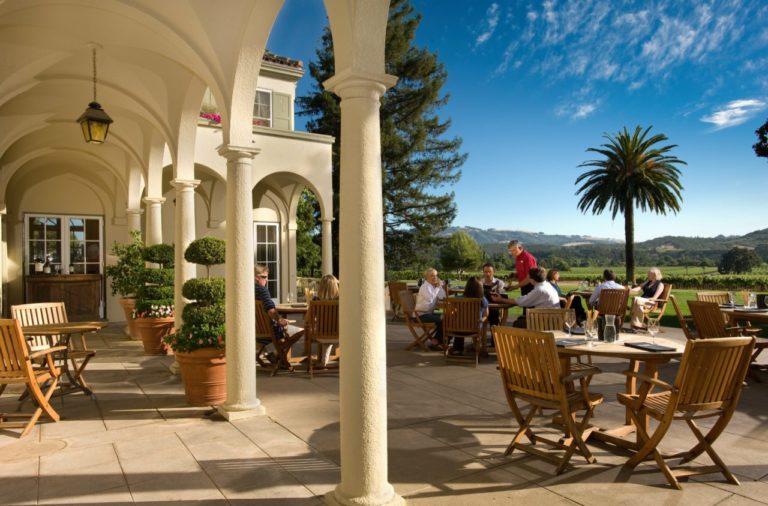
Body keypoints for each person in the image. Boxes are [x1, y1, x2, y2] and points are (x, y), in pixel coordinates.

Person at [255, 264, 304, 363]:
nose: (266, 280)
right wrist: (280, 320)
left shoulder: (248, 291)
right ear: (257, 278)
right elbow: (271, 310)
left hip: (256, 331)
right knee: (301, 330)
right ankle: (281, 358)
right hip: (271, 331)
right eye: (264, 277)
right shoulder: (262, 291)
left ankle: (274, 355)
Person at [491, 267, 560, 320]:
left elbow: (522, 301)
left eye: (528, 278)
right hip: (553, 318)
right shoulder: (547, 285)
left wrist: (500, 299)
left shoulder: (540, 289)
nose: (528, 280)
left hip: (546, 321)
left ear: (532, 280)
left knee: (518, 323)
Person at [449, 277, 489, 356]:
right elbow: (486, 315)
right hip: (475, 328)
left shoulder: (457, 299)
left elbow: (450, 312)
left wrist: (455, 314)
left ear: (467, 287)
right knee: (463, 325)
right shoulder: (483, 300)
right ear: (480, 289)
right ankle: (479, 349)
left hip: (458, 329)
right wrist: (482, 320)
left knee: (459, 324)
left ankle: (458, 349)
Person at [414, 267, 447, 350]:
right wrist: (438, 288)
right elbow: (430, 298)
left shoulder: (433, 287)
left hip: (428, 313)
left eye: (436, 275)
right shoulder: (424, 287)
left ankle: (437, 341)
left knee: (447, 317)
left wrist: (440, 287)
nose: (435, 277)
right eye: (432, 276)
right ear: (426, 277)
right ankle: (436, 342)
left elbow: (443, 297)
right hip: (420, 315)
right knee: (443, 319)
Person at [311, 273, 340, 364]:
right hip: (338, 333)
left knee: (318, 330)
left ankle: (323, 361)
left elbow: (308, 320)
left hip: (321, 334)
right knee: (331, 330)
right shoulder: (341, 301)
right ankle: (324, 360)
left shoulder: (316, 301)